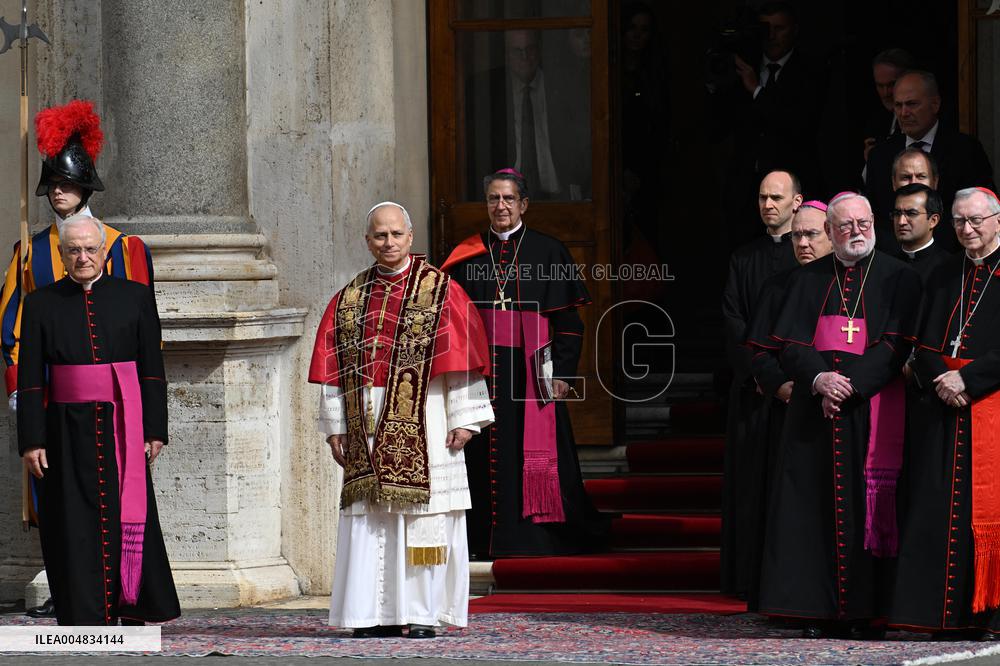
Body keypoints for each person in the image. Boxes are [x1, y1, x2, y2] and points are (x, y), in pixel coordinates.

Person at [308, 202, 494, 638]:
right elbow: (334, 369)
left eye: (395, 234)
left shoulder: (442, 291)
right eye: (379, 235)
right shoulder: (349, 297)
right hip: (368, 424)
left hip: (427, 417)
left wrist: (465, 417)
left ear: (410, 237)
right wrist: (337, 426)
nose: (388, 242)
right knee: (371, 519)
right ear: (367, 240)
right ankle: (372, 615)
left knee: (423, 518)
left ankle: (424, 613)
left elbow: (463, 362)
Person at [0, 99, 155, 620]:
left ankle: (124, 591)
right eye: (53, 187)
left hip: (114, 403)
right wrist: (24, 402)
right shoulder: (30, 252)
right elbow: (14, 329)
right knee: (61, 508)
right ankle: (71, 589)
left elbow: (136, 328)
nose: (59, 194)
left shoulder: (123, 247)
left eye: (66, 185)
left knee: (122, 497)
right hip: (54, 398)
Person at [754, 192, 921, 638]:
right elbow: (789, 344)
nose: (857, 232)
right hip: (814, 416)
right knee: (810, 510)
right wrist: (820, 382)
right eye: (845, 226)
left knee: (869, 508)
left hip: (871, 411)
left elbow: (896, 343)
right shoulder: (805, 281)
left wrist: (850, 386)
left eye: (863, 223)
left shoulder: (899, 278)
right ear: (830, 233)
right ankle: (813, 610)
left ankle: (871, 610)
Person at [17, 214, 179, 626]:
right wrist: (32, 440)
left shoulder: (135, 296)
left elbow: (152, 368)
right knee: (71, 520)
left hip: (123, 424)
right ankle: (82, 611)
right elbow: (31, 378)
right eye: (74, 250)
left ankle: (133, 603)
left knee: (128, 511)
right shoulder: (39, 304)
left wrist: (155, 429)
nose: (83, 257)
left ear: (104, 252)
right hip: (65, 430)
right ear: (61, 254)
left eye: (91, 249)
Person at [441, 168, 610, 558]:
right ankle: (480, 539)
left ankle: (536, 540)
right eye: (493, 199)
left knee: (533, 453)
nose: (500, 206)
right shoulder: (467, 255)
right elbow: (449, 322)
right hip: (481, 375)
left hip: (532, 374)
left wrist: (564, 374)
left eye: (508, 199)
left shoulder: (548, 252)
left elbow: (569, 324)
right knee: (481, 456)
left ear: (523, 204)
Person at [890, 187, 1000, 640]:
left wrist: (969, 381)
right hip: (942, 409)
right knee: (935, 510)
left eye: (975, 221)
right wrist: (942, 378)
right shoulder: (943, 274)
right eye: (959, 221)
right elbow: (922, 341)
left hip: (991, 406)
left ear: (997, 220)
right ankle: (940, 615)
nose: (967, 229)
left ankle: (988, 615)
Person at [741, 200, 833, 610]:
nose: (803, 243)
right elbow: (759, 350)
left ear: (832, 235)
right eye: (797, 235)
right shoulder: (778, 285)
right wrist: (782, 388)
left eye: (812, 234)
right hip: (790, 413)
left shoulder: (849, 284)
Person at [720, 169, 800, 598]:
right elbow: (734, 322)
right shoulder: (743, 258)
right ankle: (747, 578)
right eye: (762, 198)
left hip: (797, 391)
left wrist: (790, 380)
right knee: (751, 486)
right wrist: (761, 375)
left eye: (776, 197)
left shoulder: (810, 258)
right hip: (754, 390)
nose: (768, 205)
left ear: (797, 202)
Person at [715, 2, 826, 245]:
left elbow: (799, 125)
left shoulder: (810, 71)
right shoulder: (744, 67)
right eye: (766, 29)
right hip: (746, 193)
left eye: (779, 28)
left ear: (794, 30)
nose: (772, 36)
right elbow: (719, 125)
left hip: (793, 191)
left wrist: (757, 90)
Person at [865, 71, 996, 253]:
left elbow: (983, 208)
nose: (903, 113)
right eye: (898, 105)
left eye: (911, 104)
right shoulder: (880, 155)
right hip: (894, 258)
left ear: (935, 104)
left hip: (952, 257)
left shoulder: (965, 150)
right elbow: (874, 214)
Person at [465, 30, 590, 201]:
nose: (525, 56)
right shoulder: (488, 91)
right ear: (507, 54)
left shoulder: (562, 85)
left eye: (530, 49)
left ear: (538, 50)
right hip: (506, 200)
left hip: (560, 197)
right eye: (517, 51)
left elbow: (581, 144)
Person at [862, 49, 914, 164]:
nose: (885, 93)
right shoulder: (875, 122)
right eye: (880, 86)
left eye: (891, 84)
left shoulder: (921, 118)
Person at [891, 183, 949, 280]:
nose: (901, 222)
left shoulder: (949, 267)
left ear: (933, 221)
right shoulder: (886, 264)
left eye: (911, 213)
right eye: (897, 213)